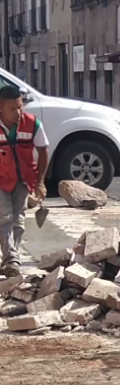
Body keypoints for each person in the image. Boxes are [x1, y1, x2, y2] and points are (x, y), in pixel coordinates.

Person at [0, 85, 49, 278]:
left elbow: (43, 151)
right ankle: (12, 259)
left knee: (18, 219)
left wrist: (40, 182)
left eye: (20, 107)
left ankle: (10, 259)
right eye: (13, 109)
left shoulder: (32, 124)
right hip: (1, 180)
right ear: (1, 107)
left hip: (23, 181)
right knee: (4, 217)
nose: (18, 112)